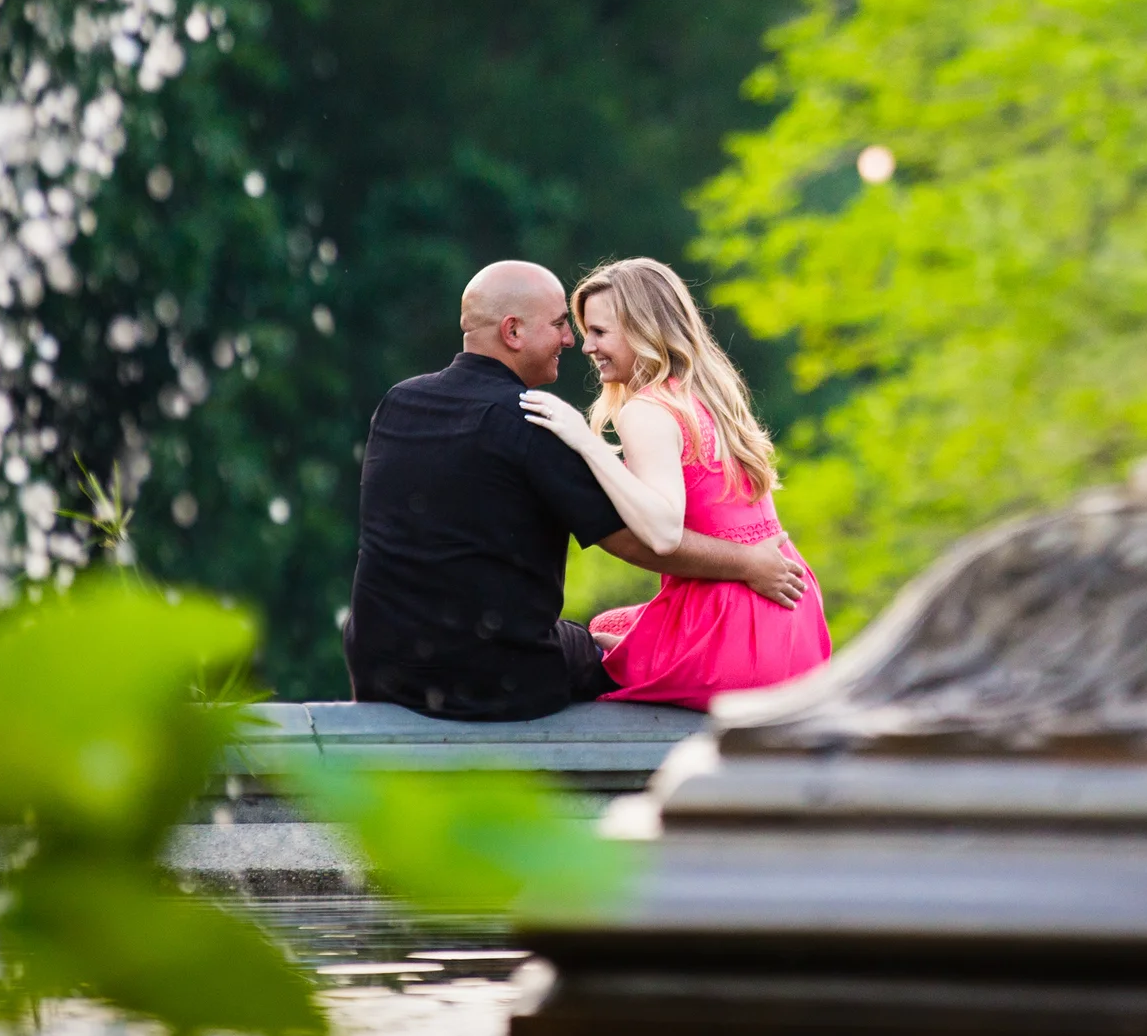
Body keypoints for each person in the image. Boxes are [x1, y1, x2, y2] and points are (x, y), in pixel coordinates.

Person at [344, 260, 808, 721]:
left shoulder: (399, 403)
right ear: (513, 333)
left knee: (604, 633)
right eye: (561, 325)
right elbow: (642, 542)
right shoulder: (534, 418)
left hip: (379, 667)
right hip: (490, 680)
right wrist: (748, 563)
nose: (573, 341)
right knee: (605, 650)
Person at [520, 256, 830, 710]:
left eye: (600, 333)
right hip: (793, 620)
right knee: (616, 624)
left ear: (644, 331)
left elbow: (664, 533)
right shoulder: (708, 396)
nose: (588, 347)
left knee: (591, 654)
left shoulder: (644, 411)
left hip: (735, 638)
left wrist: (584, 444)